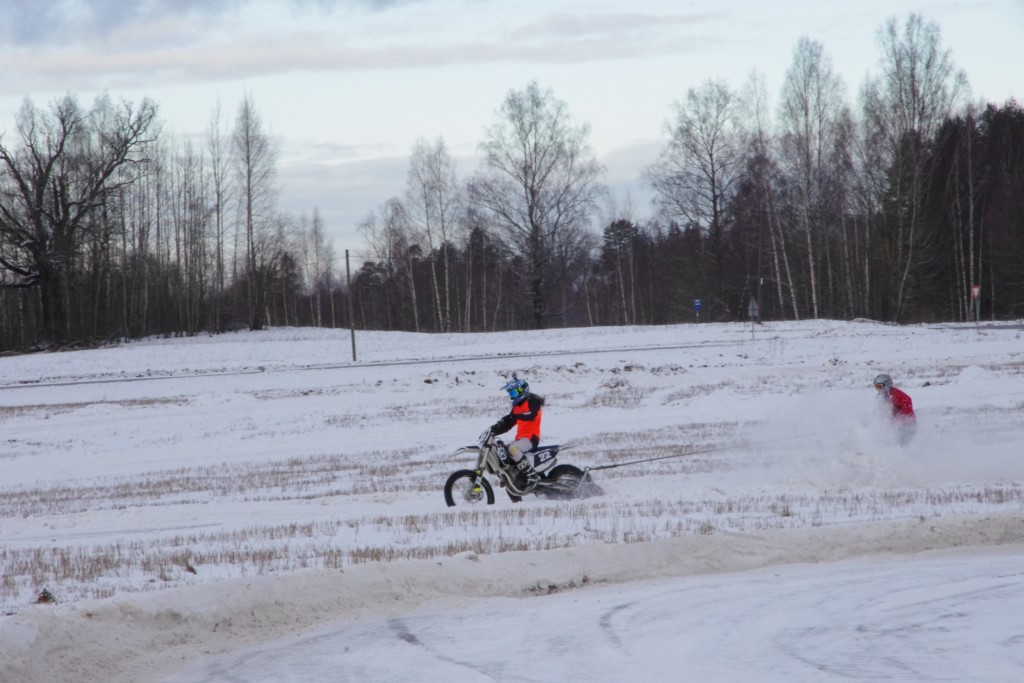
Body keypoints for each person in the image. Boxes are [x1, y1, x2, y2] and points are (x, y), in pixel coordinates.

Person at [490, 374, 545, 490]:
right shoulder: (517, 407)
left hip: (531, 438)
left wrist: (515, 416)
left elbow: (531, 415)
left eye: (513, 392)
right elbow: (509, 423)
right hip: (521, 439)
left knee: (512, 448)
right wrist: (494, 430)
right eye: (510, 393)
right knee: (503, 450)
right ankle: (511, 477)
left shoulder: (532, 401)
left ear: (522, 390)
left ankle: (532, 475)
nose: (512, 396)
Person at [873, 373, 917, 445]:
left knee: (900, 445)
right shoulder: (880, 396)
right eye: (876, 387)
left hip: (906, 427)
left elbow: (906, 414)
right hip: (892, 427)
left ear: (886, 385)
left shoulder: (899, 396)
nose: (878, 390)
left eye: (879, 387)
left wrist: (899, 424)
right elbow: (878, 411)